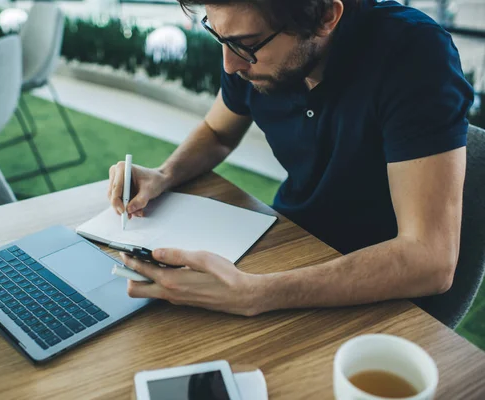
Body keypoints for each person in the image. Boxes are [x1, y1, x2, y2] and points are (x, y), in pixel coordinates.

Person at [107, 0, 474, 317]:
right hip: (285, 243)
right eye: (219, 37)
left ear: (326, 16)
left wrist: (256, 293)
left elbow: (430, 260)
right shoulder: (248, 51)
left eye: (246, 45)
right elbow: (218, 133)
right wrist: (163, 174)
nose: (231, 64)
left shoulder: (413, 54)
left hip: (377, 291)